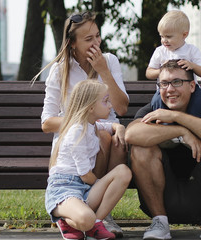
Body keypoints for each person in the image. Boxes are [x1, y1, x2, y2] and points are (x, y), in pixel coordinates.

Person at [33, 11, 129, 236]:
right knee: (99, 134)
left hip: (108, 136)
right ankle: (86, 213)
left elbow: (122, 108)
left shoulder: (110, 61)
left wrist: (104, 71)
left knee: (111, 138)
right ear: (72, 44)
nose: (96, 43)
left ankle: (100, 215)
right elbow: (47, 122)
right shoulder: (60, 69)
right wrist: (84, 120)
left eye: (97, 36)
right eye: (88, 39)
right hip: (73, 139)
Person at [125, 60, 201, 240]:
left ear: (192, 86)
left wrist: (176, 116)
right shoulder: (154, 110)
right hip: (160, 198)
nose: (169, 89)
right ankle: (160, 223)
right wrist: (181, 131)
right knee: (140, 149)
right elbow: (131, 134)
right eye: (164, 84)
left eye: (177, 82)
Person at [45, 80, 131, 240]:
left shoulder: (92, 125)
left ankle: (96, 224)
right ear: (91, 107)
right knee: (86, 218)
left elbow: (108, 126)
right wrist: (103, 186)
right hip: (65, 188)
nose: (110, 105)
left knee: (123, 172)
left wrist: (118, 127)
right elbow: (85, 175)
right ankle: (64, 216)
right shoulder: (77, 131)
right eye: (105, 101)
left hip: (83, 187)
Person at [146, 10, 201, 116]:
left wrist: (192, 65)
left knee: (200, 99)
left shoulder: (191, 50)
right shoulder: (160, 51)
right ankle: (161, 123)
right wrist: (161, 70)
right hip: (164, 91)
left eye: (169, 37)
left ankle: (192, 122)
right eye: (162, 36)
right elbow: (149, 73)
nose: (164, 40)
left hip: (190, 91)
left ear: (184, 35)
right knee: (156, 101)